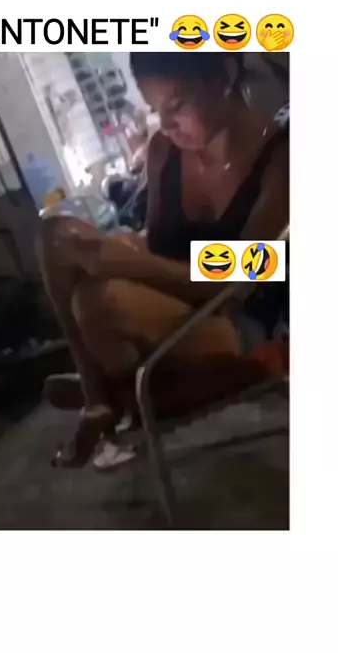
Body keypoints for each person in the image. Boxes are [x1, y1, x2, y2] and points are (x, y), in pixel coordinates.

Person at [37, 52, 289, 467]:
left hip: (235, 319)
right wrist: (132, 247)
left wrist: (131, 264)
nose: (166, 124)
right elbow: (159, 241)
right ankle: (98, 397)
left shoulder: (282, 157)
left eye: (177, 105)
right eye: (156, 110)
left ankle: (112, 393)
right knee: (56, 234)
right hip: (168, 304)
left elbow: (246, 277)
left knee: (100, 300)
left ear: (223, 76)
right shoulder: (163, 151)